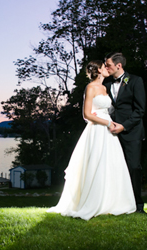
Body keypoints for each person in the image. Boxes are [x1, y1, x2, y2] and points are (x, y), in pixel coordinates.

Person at [47, 60, 136, 220]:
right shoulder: (90, 87)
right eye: (104, 66)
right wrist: (108, 122)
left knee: (110, 164)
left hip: (109, 130)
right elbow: (87, 114)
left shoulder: (104, 87)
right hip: (97, 130)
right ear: (99, 71)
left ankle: (111, 201)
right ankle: (92, 202)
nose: (107, 68)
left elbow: (104, 110)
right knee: (96, 163)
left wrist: (112, 122)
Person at [103, 52, 146, 214]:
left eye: (108, 65)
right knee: (113, 169)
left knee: (134, 167)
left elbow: (140, 110)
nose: (106, 68)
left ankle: (138, 206)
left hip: (131, 132)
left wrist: (124, 126)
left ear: (118, 65)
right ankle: (117, 205)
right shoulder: (105, 85)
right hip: (110, 133)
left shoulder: (135, 81)